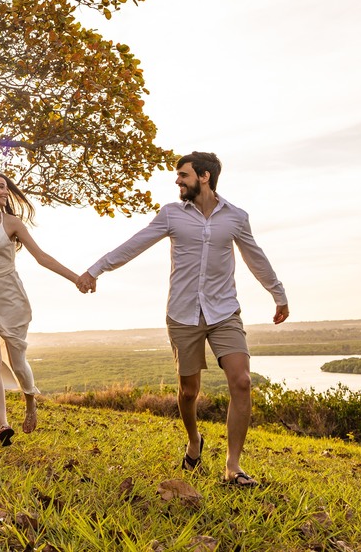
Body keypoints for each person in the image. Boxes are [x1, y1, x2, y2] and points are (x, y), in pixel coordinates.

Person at [77, 152, 288, 486]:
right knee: (189, 392)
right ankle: (194, 441)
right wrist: (95, 269)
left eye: (183, 175)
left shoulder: (235, 217)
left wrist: (278, 293)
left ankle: (233, 466)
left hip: (224, 312)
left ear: (204, 177)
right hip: (183, 314)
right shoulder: (172, 215)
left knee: (242, 381)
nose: (178, 181)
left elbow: (255, 257)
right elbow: (135, 244)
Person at [0, 172, 88, 446]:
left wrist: (76, 278)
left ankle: (30, 402)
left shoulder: (12, 223)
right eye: (1, 187)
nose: (6, 192)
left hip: (10, 297)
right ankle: (3, 425)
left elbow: (41, 257)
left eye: (7, 188)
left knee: (17, 361)